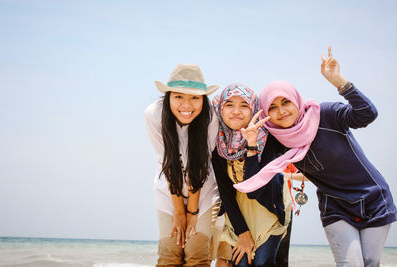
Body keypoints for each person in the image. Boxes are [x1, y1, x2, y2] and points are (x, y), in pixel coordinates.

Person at [235, 46, 397, 267]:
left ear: (296, 100)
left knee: (371, 263)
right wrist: (252, 145)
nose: (281, 111)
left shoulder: (326, 114)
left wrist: (339, 81)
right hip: (336, 207)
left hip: (374, 198)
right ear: (265, 113)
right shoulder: (278, 139)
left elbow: (368, 114)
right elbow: (254, 188)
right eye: (272, 107)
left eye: (285, 102)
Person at [145, 63, 221, 267]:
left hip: (203, 191)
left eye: (195, 97)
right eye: (179, 96)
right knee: (170, 253)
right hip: (169, 190)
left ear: (203, 99)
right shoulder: (154, 114)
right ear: (168, 95)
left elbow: (200, 166)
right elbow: (169, 163)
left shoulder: (210, 116)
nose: (187, 105)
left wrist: (192, 213)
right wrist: (179, 212)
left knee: (196, 253)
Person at [211, 83, 292, 267]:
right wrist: (242, 233)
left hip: (269, 208)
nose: (236, 111)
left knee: (263, 262)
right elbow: (226, 192)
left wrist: (252, 146)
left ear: (254, 108)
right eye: (229, 104)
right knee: (241, 263)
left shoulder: (268, 138)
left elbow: (255, 190)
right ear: (220, 108)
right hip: (238, 211)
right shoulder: (219, 143)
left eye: (244, 105)